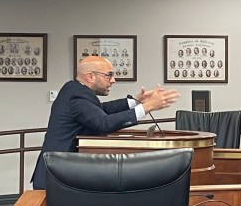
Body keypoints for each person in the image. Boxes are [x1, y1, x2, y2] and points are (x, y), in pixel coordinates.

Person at [31, 56, 180, 190]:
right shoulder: (76, 97)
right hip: (56, 178)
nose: (113, 80)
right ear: (90, 77)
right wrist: (148, 107)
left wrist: (136, 101)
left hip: (59, 173)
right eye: (109, 75)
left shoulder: (75, 90)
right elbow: (104, 123)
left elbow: (102, 110)